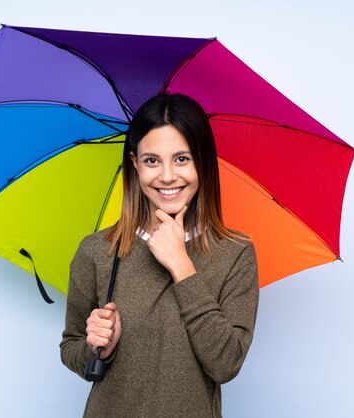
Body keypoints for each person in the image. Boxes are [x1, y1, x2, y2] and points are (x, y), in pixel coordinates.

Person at [60, 93, 259, 418]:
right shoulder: (96, 250)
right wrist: (98, 347)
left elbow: (225, 364)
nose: (167, 175)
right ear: (135, 163)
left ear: (203, 163)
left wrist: (181, 264)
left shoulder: (235, 253)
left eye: (182, 159)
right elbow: (72, 347)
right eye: (152, 160)